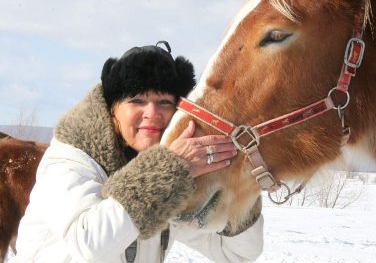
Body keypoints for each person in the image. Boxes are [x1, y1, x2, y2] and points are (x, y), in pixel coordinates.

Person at [12, 41, 263, 263]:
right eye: (137, 101)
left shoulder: (171, 174)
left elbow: (236, 253)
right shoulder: (69, 160)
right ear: (113, 109)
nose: (152, 113)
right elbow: (89, 243)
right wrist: (169, 170)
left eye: (164, 102)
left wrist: (242, 183)